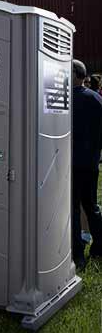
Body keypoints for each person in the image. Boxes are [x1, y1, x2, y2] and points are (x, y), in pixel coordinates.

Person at [71, 59, 102, 269]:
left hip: (71, 164)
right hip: (91, 163)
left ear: (74, 74)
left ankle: (77, 253)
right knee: (92, 206)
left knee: (73, 209)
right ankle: (99, 249)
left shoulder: (66, 100)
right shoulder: (96, 98)